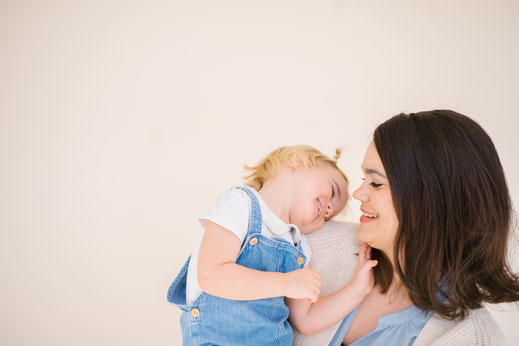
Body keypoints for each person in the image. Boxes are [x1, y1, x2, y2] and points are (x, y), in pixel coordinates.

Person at [293, 110, 519, 345]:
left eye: (376, 183)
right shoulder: (307, 247)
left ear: (429, 202)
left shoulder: (476, 339)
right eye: (364, 180)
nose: (358, 194)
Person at [166, 145, 376, 345]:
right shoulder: (240, 203)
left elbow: (306, 320)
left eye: (331, 215)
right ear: (297, 162)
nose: (329, 208)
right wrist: (287, 283)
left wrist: (357, 289)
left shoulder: (298, 247)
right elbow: (212, 276)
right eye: (332, 190)